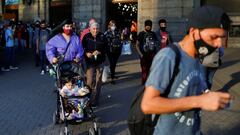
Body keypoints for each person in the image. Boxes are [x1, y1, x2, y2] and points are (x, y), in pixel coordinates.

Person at [141, 6, 232, 135]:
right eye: (214, 37)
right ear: (194, 32)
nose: (219, 44)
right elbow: (148, 104)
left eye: (222, 38)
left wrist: (211, 98)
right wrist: (200, 101)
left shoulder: (200, 58)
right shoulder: (169, 56)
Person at [82, 22, 107, 108]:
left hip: (100, 61)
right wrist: (86, 53)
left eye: (97, 29)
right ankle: (88, 99)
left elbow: (107, 48)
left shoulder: (103, 37)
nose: (95, 30)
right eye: (94, 29)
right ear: (90, 29)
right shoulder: (86, 37)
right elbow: (82, 48)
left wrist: (100, 52)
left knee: (98, 81)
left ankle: (95, 101)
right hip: (90, 62)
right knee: (89, 81)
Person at [135, 20, 158, 85]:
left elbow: (155, 44)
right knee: (144, 70)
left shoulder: (153, 34)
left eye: (150, 26)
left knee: (150, 69)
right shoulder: (141, 34)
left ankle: (148, 82)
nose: (148, 27)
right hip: (143, 55)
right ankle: (144, 83)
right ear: (145, 26)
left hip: (151, 55)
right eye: (147, 26)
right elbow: (137, 45)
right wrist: (141, 54)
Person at [104, 20, 122, 84]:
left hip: (117, 50)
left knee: (114, 63)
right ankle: (112, 78)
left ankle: (112, 74)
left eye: (114, 25)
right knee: (112, 63)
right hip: (110, 50)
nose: (113, 26)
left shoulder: (118, 32)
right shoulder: (106, 33)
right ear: (109, 26)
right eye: (112, 25)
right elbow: (104, 41)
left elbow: (120, 39)